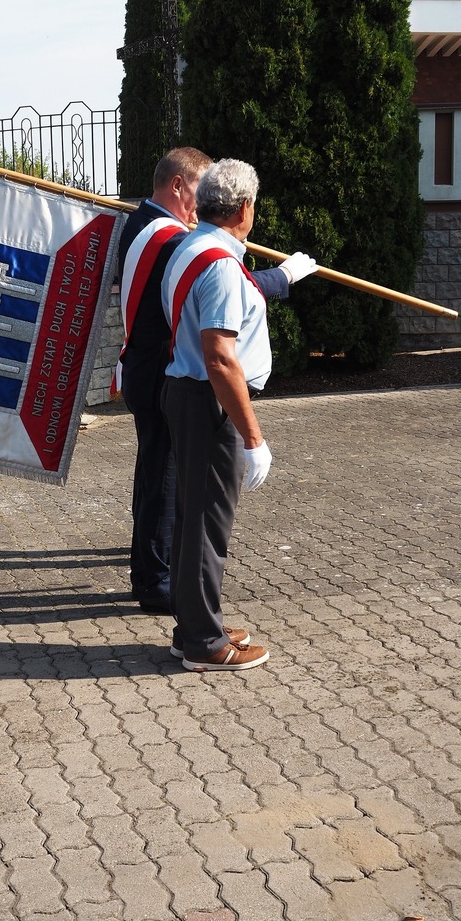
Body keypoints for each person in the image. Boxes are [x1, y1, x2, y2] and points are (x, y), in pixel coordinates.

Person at [117, 147, 313, 614]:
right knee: (167, 484)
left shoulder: (149, 226)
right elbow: (224, 292)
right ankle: (155, 579)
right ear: (179, 187)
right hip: (172, 375)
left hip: (149, 368)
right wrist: (284, 276)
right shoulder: (171, 239)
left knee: (157, 477)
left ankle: (152, 564)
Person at [161, 158, 312, 670]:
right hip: (208, 400)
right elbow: (221, 356)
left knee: (192, 518)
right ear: (245, 208)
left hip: (186, 393)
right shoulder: (221, 264)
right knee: (207, 523)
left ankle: (195, 626)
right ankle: (204, 643)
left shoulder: (190, 247)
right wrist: (254, 437)